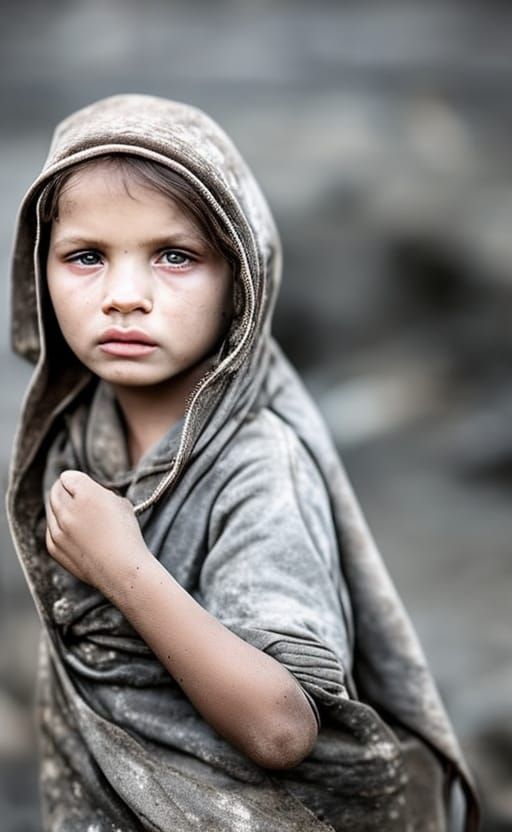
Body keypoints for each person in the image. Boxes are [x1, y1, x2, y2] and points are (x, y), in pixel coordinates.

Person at [6, 94, 479, 832]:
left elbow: (283, 730)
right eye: (87, 257)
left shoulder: (260, 468)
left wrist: (125, 569)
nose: (125, 298)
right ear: (40, 271)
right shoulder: (74, 438)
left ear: (241, 285)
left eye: (175, 256)